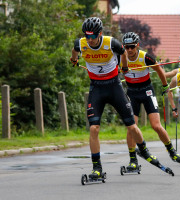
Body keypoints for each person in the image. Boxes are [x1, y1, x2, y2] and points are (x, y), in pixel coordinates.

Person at [70, 17, 171, 179]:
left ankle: (144, 151)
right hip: (96, 87)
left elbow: (123, 52)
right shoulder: (80, 43)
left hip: (114, 86)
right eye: (86, 36)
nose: (89, 40)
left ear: (100, 34)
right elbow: (75, 50)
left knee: (131, 126)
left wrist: (123, 67)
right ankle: (97, 168)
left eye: (92, 36)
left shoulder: (111, 43)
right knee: (94, 128)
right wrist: (74, 60)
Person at [121, 32, 180, 171]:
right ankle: (133, 160)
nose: (129, 50)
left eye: (132, 47)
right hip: (132, 93)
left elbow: (159, 69)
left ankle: (172, 152)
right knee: (131, 127)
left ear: (137, 46)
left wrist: (165, 86)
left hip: (147, 91)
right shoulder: (121, 57)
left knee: (156, 125)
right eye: (126, 47)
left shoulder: (145, 57)